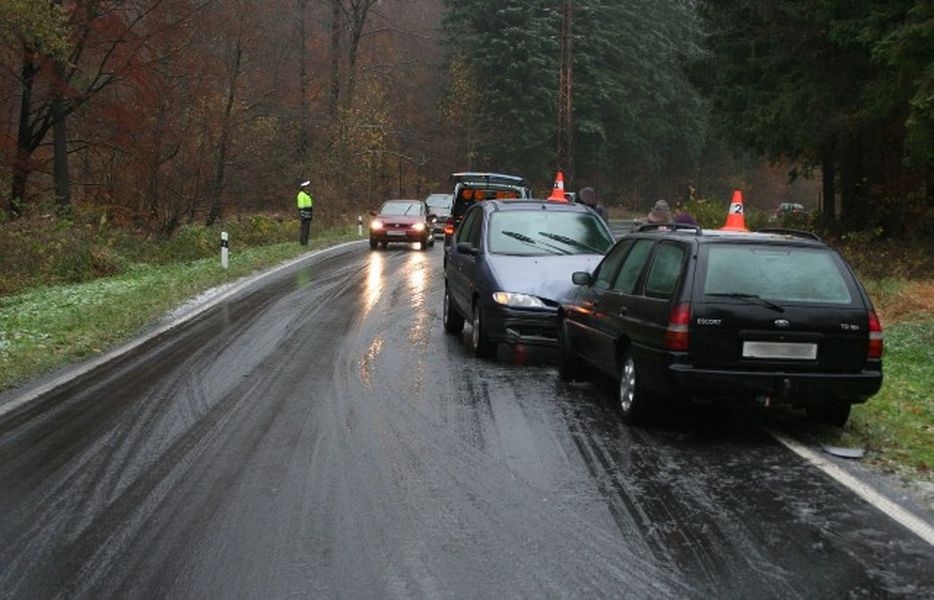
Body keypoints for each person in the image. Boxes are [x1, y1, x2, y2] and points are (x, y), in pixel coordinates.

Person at [296, 180, 314, 245]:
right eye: (306, 186)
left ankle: (305, 241)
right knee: (304, 228)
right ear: (303, 187)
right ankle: (303, 242)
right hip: (304, 213)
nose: (308, 187)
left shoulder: (307, 194)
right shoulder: (301, 194)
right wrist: (302, 215)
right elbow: (301, 206)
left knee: (307, 228)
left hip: (308, 213)